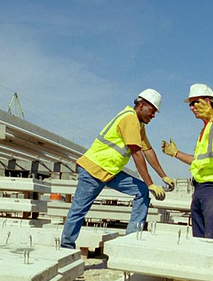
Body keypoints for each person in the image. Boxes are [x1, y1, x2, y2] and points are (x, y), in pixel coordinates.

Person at [60, 88, 175, 249]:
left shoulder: (139, 125)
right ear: (141, 105)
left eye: (155, 112)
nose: (153, 115)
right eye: (152, 110)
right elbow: (136, 153)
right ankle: (66, 247)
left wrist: (163, 176)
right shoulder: (129, 119)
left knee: (141, 191)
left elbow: (147, 150)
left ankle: (131, 241)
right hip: (93, 169)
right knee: (79, 210)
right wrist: (150, 183)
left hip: (110, 172)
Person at [161, 83, 213, 239]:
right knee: (199, 237)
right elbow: (197, 160)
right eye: (190, 104)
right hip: (200, 188)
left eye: (194, 102)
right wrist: (175, 153)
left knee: (211, 236)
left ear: (208, 101)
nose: (191, 107)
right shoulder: (205, 129)